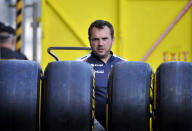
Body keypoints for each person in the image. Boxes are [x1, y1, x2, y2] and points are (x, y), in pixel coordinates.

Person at [77, 20, 126, 129]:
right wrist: (94, 124)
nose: (100, 44)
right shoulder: (79, 66)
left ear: (112, 40)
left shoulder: (125, 65)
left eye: (104, 39)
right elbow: (72, 101)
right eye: (95, 39)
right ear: (90, 41)